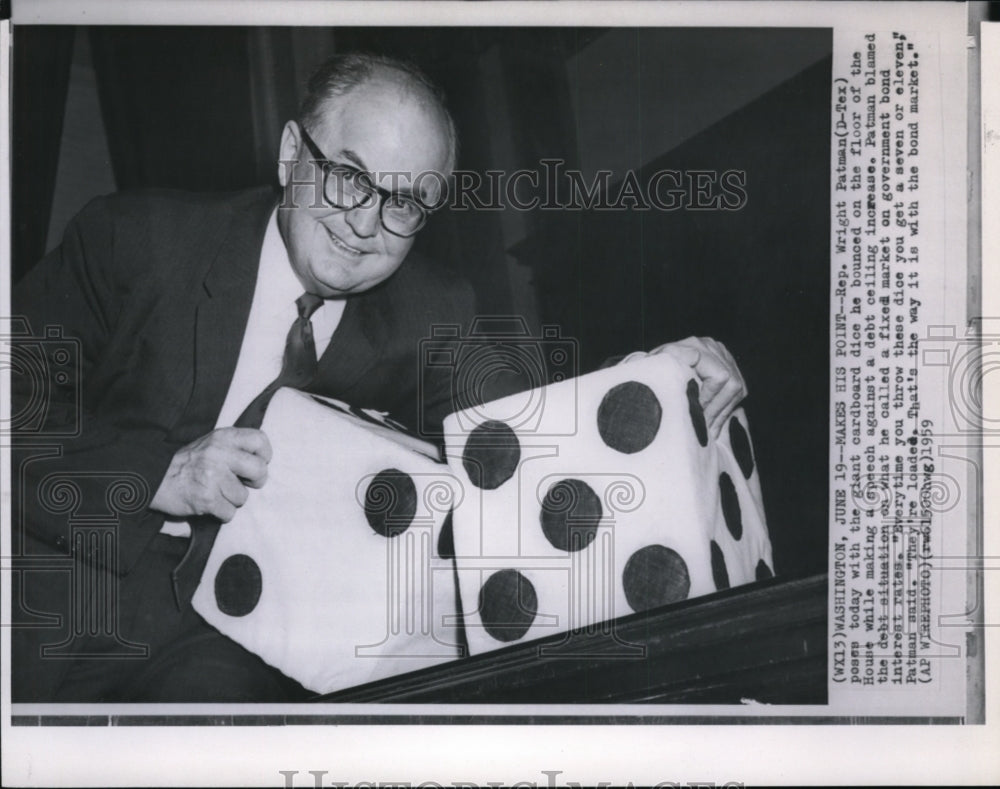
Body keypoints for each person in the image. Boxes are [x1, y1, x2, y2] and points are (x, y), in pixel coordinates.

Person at [11, 53, 745, 703]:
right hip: (55, 588)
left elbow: (527, 434)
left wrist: (660, 379)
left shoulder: (433, 310)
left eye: (404, 203)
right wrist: (159, 475)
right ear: (293, 153)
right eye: (349, 176)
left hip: (231, 645)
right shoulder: (135, 241)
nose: (366, 223)